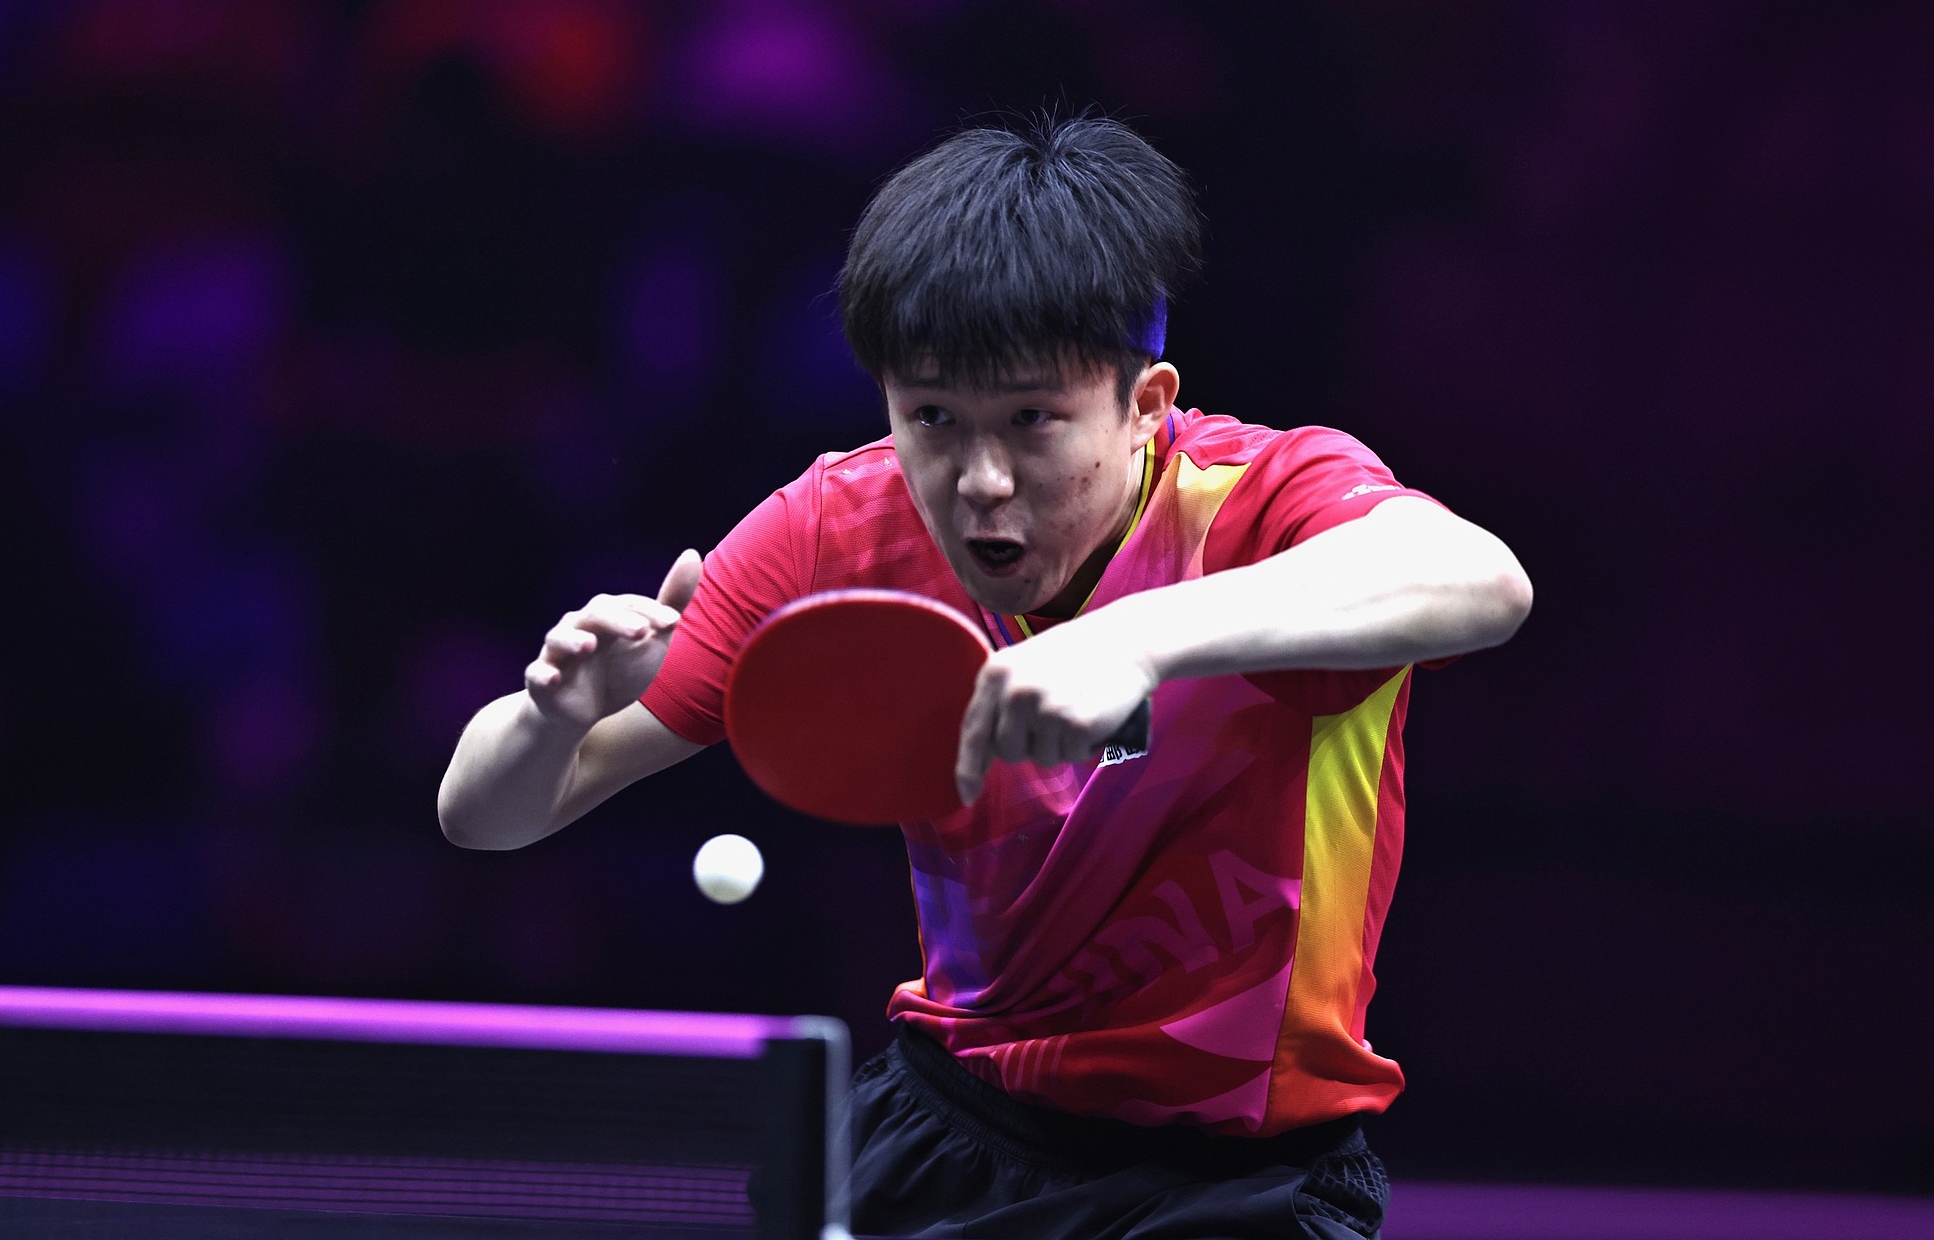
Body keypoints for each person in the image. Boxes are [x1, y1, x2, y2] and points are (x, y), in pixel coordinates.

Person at [438, 116, 1533, 1239]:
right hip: (950, 1132)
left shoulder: (1263, 503)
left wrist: (1135, 640)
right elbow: (486, 818)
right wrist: (550, 710)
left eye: (1032, 420)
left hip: (1238, 1178)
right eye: (932, 420)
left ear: (1143, 403)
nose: (981, 481)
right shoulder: (837, 530)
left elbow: (1478, 582)